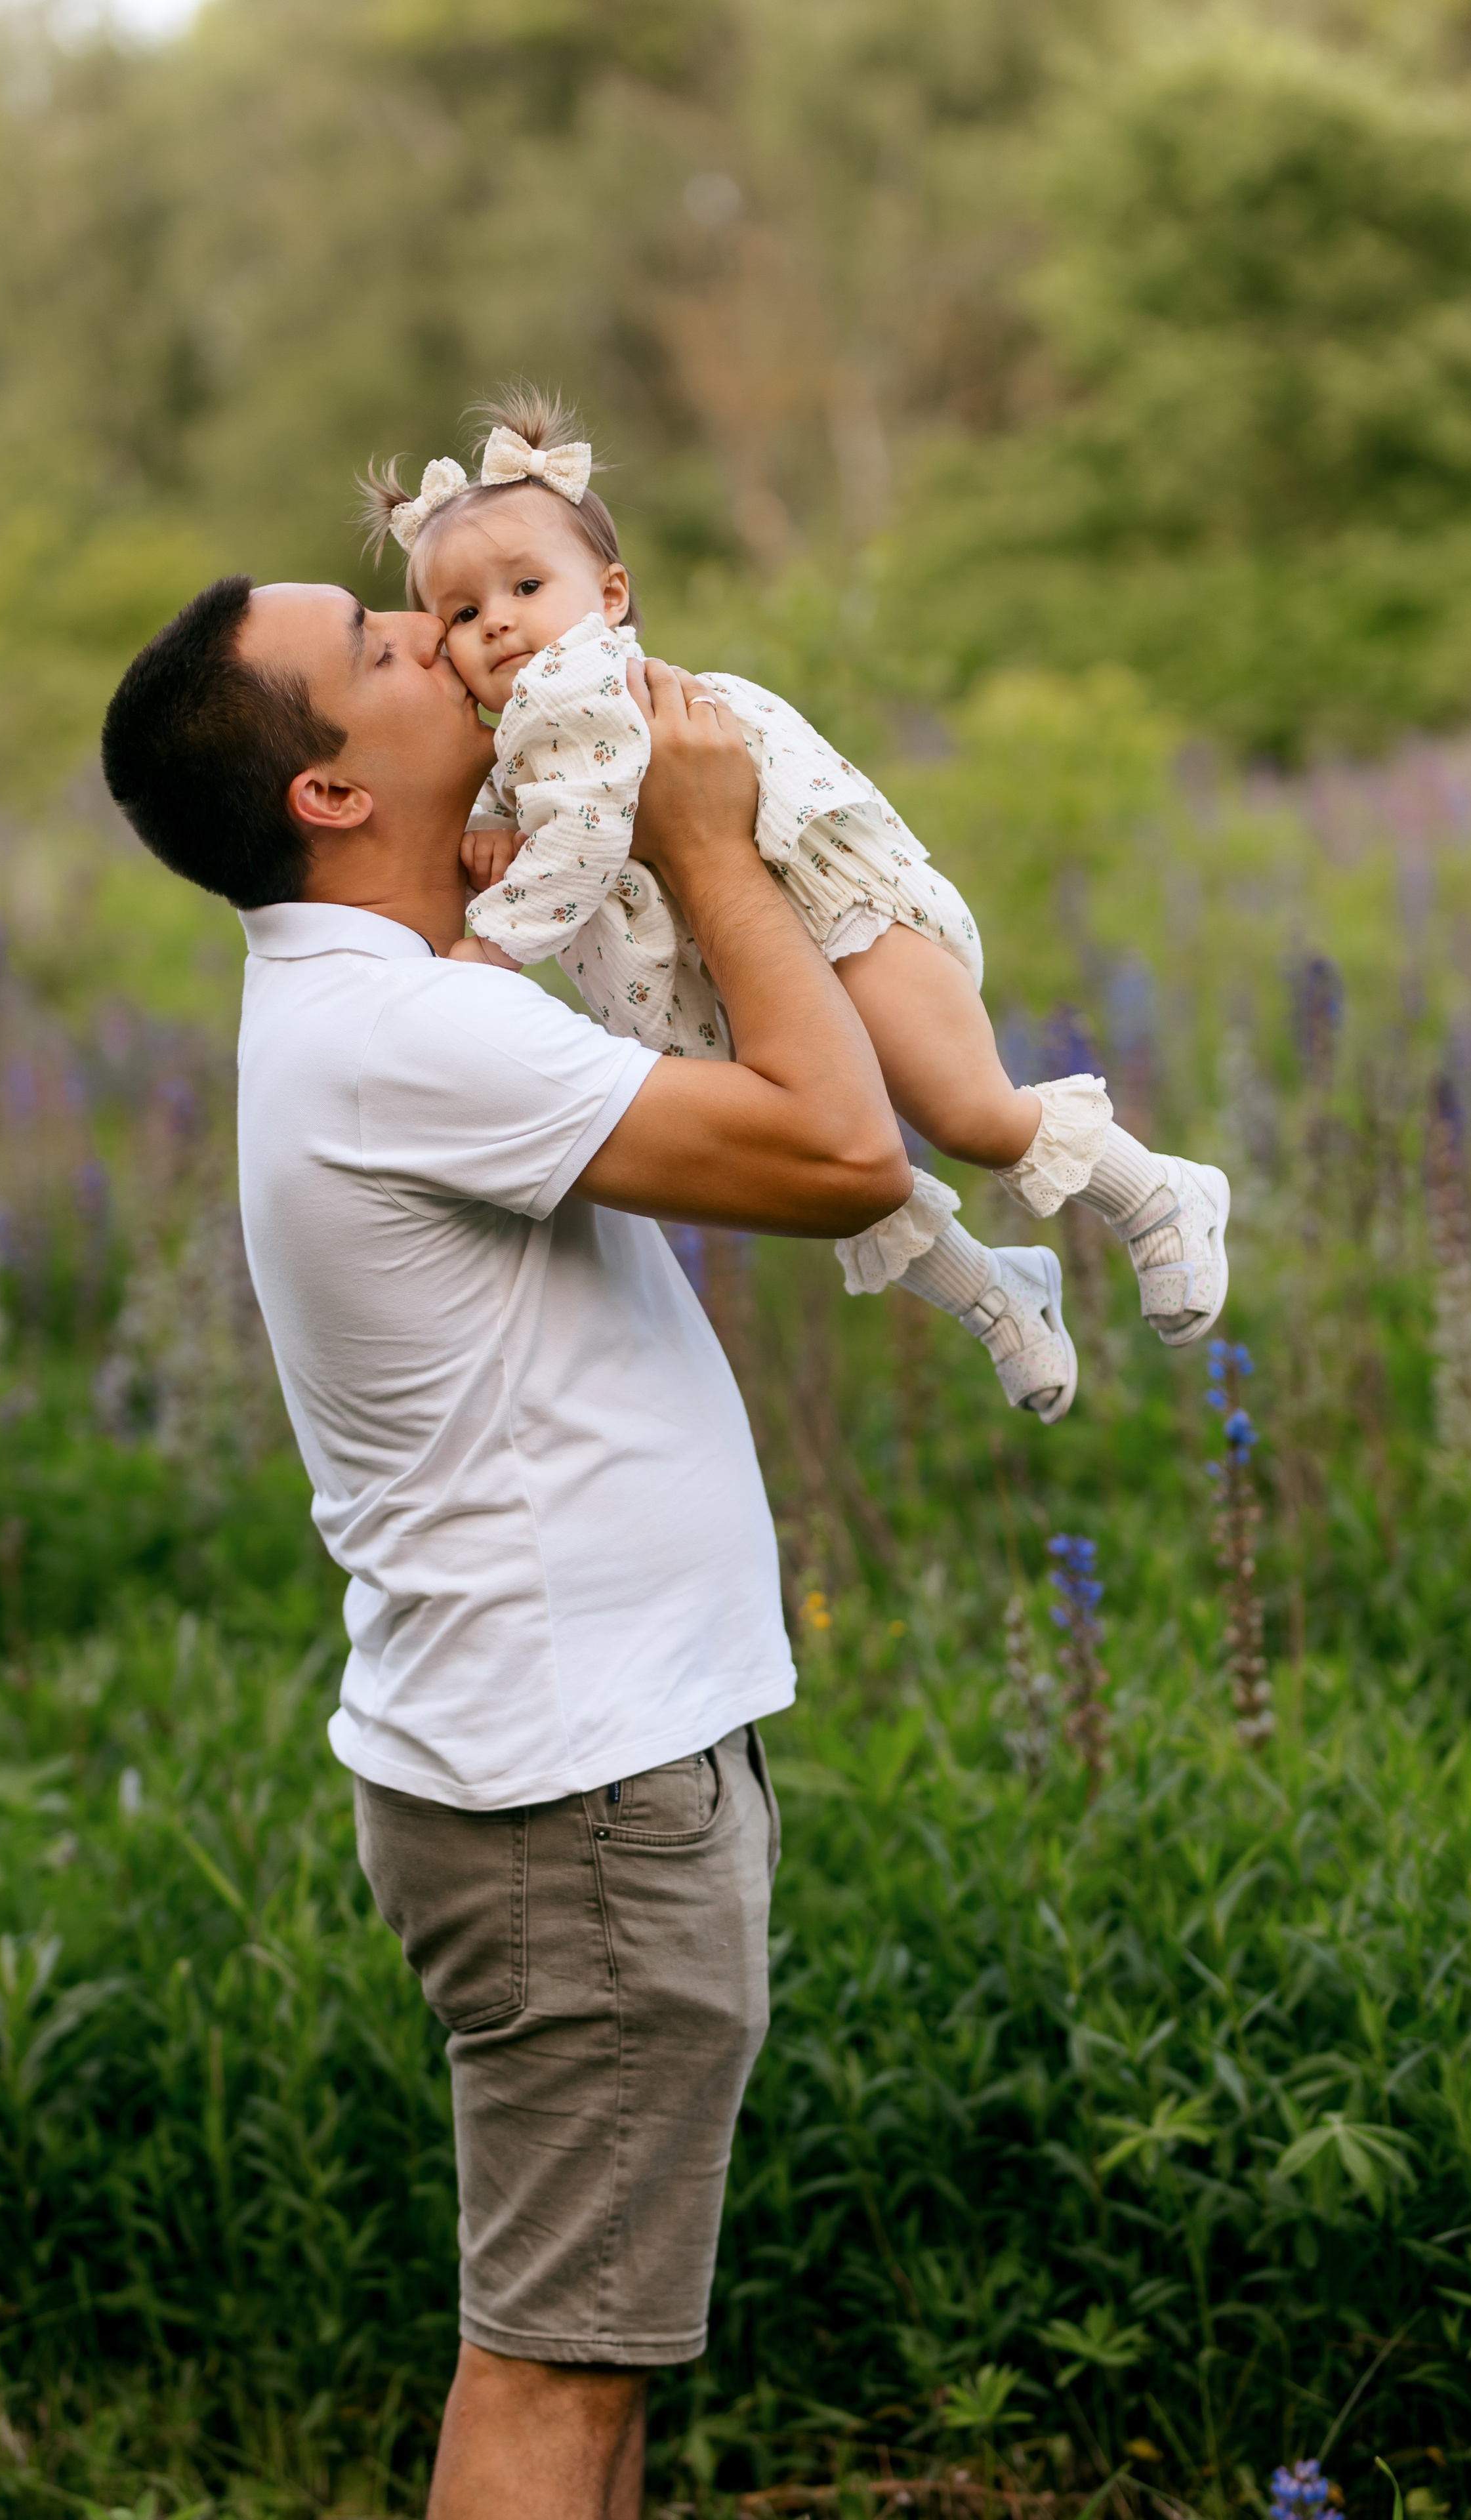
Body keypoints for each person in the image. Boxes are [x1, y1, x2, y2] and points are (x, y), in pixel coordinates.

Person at [99, 571, 914, 2520]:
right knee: (553, 2378)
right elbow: (844, 1153)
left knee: (595, 2367)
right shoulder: (401, 1039)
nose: (424, 626)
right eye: (373, 648)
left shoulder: (392, 1002)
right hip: (578, 1794)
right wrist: (711, 844)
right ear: (326, 794)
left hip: (579, 1768)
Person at [359, 384, 1234, 1426]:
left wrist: (493, 945)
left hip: (825, 907)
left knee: (963, 1108)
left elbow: (590, 834)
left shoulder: (585, 687)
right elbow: (544, 829)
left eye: (525, 585)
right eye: (461, 613)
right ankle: (1000, 1294)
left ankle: (1159, 1191)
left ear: (610, 596)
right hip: (721, 980)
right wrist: (495, 841)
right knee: (833, 1175)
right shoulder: (515, 741)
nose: (496, 620)